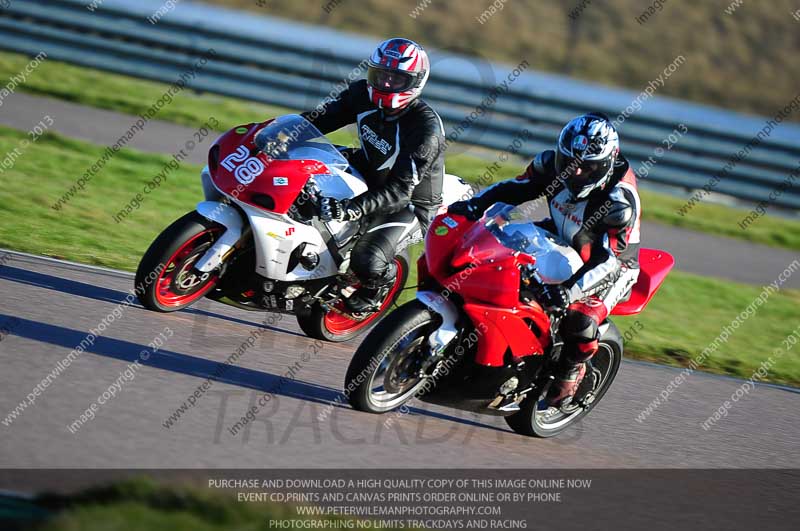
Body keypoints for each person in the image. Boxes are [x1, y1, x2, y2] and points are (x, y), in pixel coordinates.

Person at [448, 113, 642, 408]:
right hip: (564, 233)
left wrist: (568, 291)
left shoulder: (618, 202)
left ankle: (571, 372)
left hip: (612, 262)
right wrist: (474, 206)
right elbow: (512, 189)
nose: (575, 174)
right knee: (503, 255)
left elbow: (608, 261)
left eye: (586, 168)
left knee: (579, 318)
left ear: (605, 164)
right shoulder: (550, 164)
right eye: (569, 164)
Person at [301, 37, 445, 313]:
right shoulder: (361, 94)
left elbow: (400, 192)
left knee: (367, 259)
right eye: (381, 75)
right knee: (304, 167)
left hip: (409, 201)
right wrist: (280, 133)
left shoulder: (425, 130)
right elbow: (320, 119)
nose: (387, 84)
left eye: (397, 79)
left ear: (416, 82)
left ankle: (379, 286)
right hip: (368, 169)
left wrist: (351, 209)